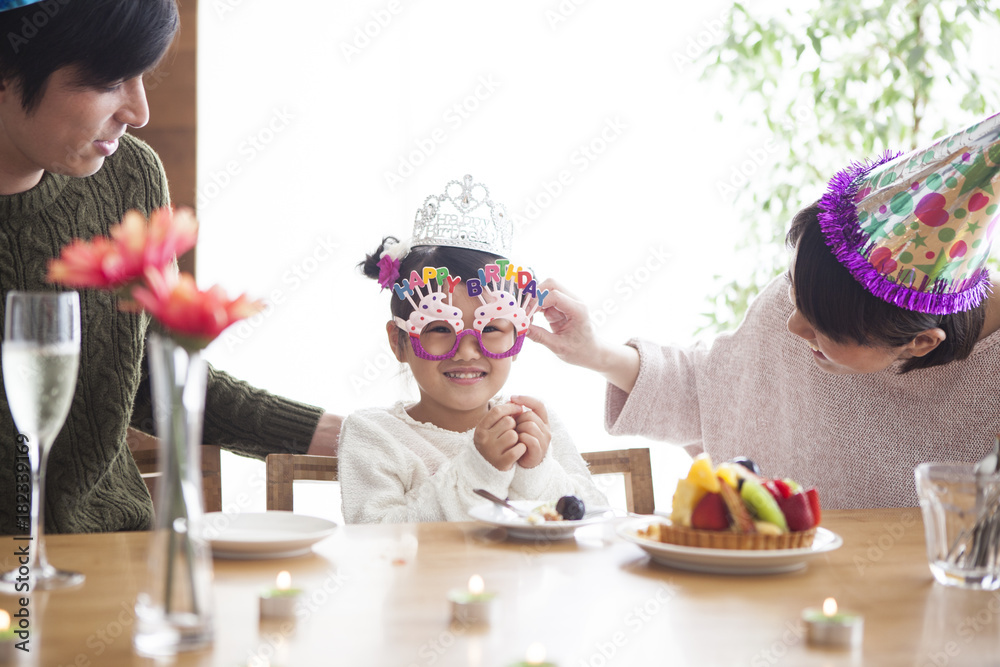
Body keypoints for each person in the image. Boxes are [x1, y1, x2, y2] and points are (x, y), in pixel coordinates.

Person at [528, 113, 1000, 510]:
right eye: (794, 293)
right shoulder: (812, 297)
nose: (793, 326)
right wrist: (593, 351)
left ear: (920, 342)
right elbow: (710, 392)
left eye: (820, 329)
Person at [0, 0, 340, 535]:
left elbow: (149, 378)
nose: (138, 112)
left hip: (111, 555)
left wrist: (359, 438)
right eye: (110, 79)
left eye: (141, 76)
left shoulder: (128, 177)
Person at [338, 175, 607, 523]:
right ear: (398, 341)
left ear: (516, 339)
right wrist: (479, 468)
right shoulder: (374, 435)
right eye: (438, 327)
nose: (466, 351)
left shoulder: (536, 425)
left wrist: (537, 471)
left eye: (491, 327)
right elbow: (375, 542)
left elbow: (594, 517)